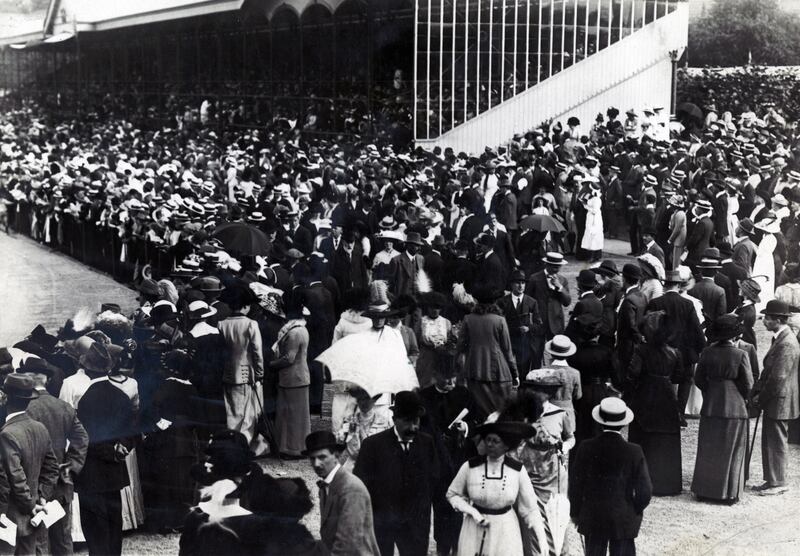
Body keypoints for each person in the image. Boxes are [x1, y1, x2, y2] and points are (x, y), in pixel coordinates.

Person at [354, 391, 440, 556]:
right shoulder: (373, 445)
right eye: (407, 422)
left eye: (416, 421)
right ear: (394, 420)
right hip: (383, 521)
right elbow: (361, 484)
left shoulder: (427, 443)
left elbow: (434, 477)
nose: (413, 428)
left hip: (416, 523)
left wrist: (420, 506)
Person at [446, 421, 547, 556]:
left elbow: (530, 509)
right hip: (474, 529)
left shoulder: (517, 470)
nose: (490, 444)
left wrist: (542, 538)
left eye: (495, 441)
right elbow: (452, 494)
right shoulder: (470, 466)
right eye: (488, 440)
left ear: (506, 445)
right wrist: (471, 511)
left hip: (506, 530)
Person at [568, 398, 652, 556]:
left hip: (593, 515)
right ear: (624, 423)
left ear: (600, 422)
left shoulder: (586, 447)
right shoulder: (634, 451)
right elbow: (645, 491)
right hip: (623, 515)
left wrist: (575, 512)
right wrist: (635, 509)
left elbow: (575, 485)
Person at [23, 358, 89, 556]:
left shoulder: (24, 409)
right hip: (61, 480)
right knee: (62, 537)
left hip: (33, 483)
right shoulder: (63, 407)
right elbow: (82, 437)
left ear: (27, 378)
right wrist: (72, 465)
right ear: (47, 380)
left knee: (39, 539)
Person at [75, 352, 136, 556]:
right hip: (114, 472)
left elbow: (87, 438)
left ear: (87, 370)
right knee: (113, 525)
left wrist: (110, 450)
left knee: (95, 531)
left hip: (92, 474)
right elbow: (132, 430)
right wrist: (122, 447)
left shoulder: (86, 400)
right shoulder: (121, 396)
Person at [691, 314, 753, 503]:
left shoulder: (708, 352)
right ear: (734, 336)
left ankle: (704, 490)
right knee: (732, 449)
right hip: (734, 406)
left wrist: (711, 391)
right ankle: (728, 493)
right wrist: (740, 396)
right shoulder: (740, 354)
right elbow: (748, 383)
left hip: (711, 404)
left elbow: (699, 379)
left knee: (709, 448)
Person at [513, 375, 575, 556]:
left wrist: (565, 446)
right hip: (528, 472)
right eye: (531, 389)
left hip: (553, 475)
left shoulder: (560, 414)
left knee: (555, 516)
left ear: (548, 393)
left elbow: (570, 437)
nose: (533, 393)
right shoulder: (521, 413)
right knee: (531, 518)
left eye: (538, 390)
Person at [0, 374, 59, 556]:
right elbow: (52, 468)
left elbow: (15, 476)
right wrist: (41, 497)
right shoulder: (39, 427)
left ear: (6, 398)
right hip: (32, 514)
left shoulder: (7, 434)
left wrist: (30, 504)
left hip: (11, 515)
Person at [625, 311, 683, 496]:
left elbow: (632, 374)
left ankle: (641, 480)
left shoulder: (641, 351)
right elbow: (680, 377)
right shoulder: (675, 353)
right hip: (667, 395)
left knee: (643, 436)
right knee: (665, 438)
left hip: (645, 394)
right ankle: (666, 482)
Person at [143, 350, 201, 532]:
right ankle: (182, 519)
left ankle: (166, 521)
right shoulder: (192, 388)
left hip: (168, 439)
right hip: (187, 438)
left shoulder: (168, 386)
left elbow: (151, 408)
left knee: (166, 479)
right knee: (184, 479)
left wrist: (160, 423)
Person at [304, 431, 381, 555]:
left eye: (322, 457)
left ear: (336, 455)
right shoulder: (326, 485)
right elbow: (328, 537)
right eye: (312, 458)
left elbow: (347, 546)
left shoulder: (351, 489)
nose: (316, 464)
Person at [751, 300, 800, 495]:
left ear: (778, 320)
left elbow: (778, 377)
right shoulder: (781, 338)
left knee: (777, 441)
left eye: (767, 318)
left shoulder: (786, 343)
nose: (763, 321)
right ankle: (772, 479)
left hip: (780, 399)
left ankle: (779, 482)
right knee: (771, 440)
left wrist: (761, 398)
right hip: (778, 398)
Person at [646, 270, 706, 424]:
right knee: (686, 380)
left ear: (665, 285)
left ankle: (661, 412)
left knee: (661, 381)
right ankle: (679, 413)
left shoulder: (655, 303)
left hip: (661, 349)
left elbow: (649, 327)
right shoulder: (687, 304)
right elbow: (696, 329)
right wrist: (700, 349)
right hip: (684, 351)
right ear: (680, 285)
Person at [217, 284, 269, 456]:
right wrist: (260, 373)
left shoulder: (221, 324)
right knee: (247, 416)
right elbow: (257, 352)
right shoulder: (250, 324)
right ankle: (242, 448)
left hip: (227, 373)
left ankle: (231, 447)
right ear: (246, 306)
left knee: (231, 413)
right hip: (248, 375)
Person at [457, 288, 519, 416]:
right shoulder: (499, 320)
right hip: (498, 372)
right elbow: (507, 350)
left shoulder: (468, 319)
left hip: (475, 370)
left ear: (477, 301)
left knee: (479, 411)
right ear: (495, 302)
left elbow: (460, 347)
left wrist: (459, 370)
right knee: (499, 411)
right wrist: (515, 373)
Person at [269, 299, 311, 459]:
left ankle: (292, 449)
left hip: (292, 378)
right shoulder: (300, 329)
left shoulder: (294, 332)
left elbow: (289, 358)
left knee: (291, 416)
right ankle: (297, 447)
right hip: (298, 377)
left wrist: (271, 365)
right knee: (297, 416)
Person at [525, 253, 571, 368]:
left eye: (559, 266)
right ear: (547, 264)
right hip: (538, 322)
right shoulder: (534, 278)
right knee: (536, 354)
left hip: (556, 322)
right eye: (554, 266)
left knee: (558, 354)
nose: (556, 269)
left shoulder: (562, 280)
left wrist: (559, 287)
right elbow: (527, 300)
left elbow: (567, 302)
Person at [496, 270, 542, 376]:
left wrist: (529, 328)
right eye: (517, 283)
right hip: (508, 340)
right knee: (505, 368)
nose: (520, 286)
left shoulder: (532, 302)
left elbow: (538, 324)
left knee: (523, 369)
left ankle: (521, 389)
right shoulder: (502, 302)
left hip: (524, 341)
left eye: (523, 283)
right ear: (511, 285)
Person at [337, 387, 393, 468]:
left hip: (377, 465)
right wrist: (341, 435)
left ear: (374, 400)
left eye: (367, 398)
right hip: (353, 466)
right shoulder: (349, 420)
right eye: (360, 399)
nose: (363, 402)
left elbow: (389, 448)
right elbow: (340, 443)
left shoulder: (384, 422)